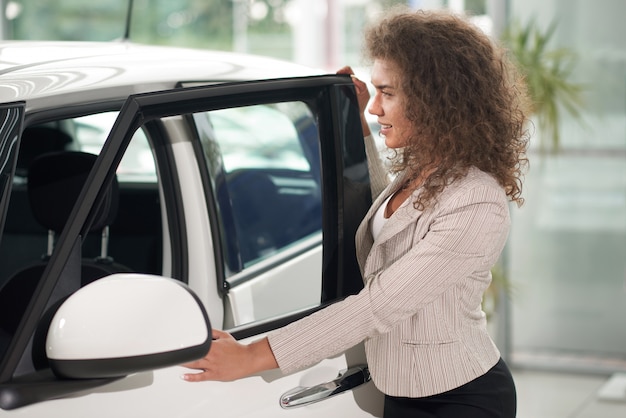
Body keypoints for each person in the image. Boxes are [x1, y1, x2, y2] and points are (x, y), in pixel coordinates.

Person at [182, 7, 530, 418]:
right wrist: (357, 128)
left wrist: (251, 356)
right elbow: (392, 222)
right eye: (376, 92)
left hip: (460, 398)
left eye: (388, 93)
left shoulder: (477, 202)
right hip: (402, 392)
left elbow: (378, 306)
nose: (375, 108)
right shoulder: (429, 169)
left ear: (435, 99)